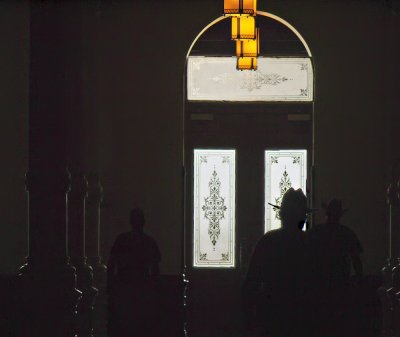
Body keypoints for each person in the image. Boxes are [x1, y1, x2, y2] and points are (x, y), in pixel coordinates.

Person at [243, 188, 313, 337]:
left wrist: (249, 317)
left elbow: (251, 281)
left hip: (272, 311)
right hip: (302, 314)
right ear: (303, 216)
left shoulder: (268, 240)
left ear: (282, 215)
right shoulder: (310, 243)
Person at [308, 199, 363, 337]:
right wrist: (358, 282)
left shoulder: (315, 232)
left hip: (321, 288)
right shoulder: (346, 233)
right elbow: (357, 261)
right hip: (336, 288)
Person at [107, 208, 161, 337]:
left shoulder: (122, 239)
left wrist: (110, 285)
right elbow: (155, 269)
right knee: (139, 325)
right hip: (141, 287)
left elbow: (111, 264)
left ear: (130, 222)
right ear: (144, 222)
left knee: (125, 324)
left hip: (125, 286)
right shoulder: (149, 242)